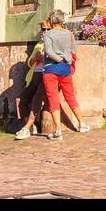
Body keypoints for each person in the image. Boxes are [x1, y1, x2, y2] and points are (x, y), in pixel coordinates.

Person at [39, 10, 92, 139]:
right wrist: (65, 59)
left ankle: (58, 131)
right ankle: (82, 124)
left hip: (50, 69)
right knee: (70, 96)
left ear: (51, 21)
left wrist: (58, 59)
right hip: (65, 69)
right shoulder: (69, 34)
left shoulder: (48, 34)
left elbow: (48, 51)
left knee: (53, 100)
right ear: (62, 21)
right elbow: (73, 50)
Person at [12, 37, 47, 140]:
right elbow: (30, 63)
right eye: (43, 29)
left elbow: (56, 62)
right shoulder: (39, 44)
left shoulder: (55, 42)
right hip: (34, 76)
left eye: (47, 29)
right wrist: (36, 59)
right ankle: (31, 126)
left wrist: (43, 59)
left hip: (46, 76)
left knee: (36, 100)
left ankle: (26, 128)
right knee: (21, 99)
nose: (44, 31)